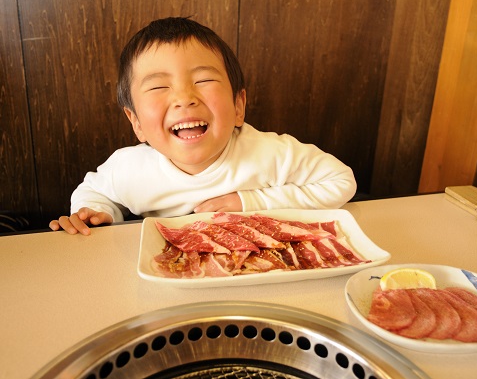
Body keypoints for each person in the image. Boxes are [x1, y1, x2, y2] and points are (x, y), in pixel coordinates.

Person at [49, 17, 357, 235]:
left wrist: (250, 201)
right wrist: (98, 216)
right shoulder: (129, 170)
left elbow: (342, 181)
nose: (184, 98)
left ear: (239, 106)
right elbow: (94, 192)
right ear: (137, 123)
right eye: (158, 87)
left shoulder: (270, 153)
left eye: (204, 80)